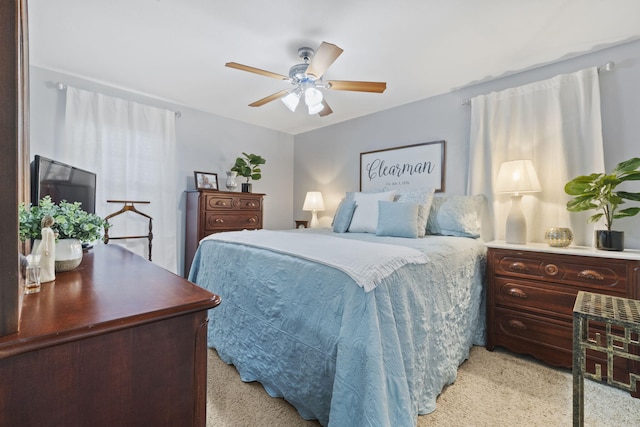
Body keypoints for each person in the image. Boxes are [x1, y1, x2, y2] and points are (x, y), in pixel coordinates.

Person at [36, 215, 56, 283]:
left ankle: (49, 276)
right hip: (46, 249)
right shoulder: (45, 230)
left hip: (50, 248)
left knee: (49, 263)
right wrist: (46, 250)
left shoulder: (48, 229)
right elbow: (45, 240)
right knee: (45, 264)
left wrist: (54, 236)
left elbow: (50, 238)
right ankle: (44, 277)